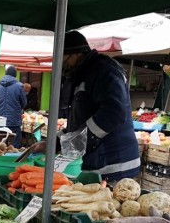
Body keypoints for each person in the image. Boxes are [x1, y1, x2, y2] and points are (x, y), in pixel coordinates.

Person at [57, 31, 140, 182]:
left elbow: (114, 112)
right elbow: (79, 121)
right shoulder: (81, 74)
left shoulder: (104, 70)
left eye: (64, 59)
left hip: (114, 165)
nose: (62, 65)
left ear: (76, 54)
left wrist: (80, 141)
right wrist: (55, 143)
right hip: (97, 161)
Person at [0, 65, 27, 147]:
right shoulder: (19, 86)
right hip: (14, 120)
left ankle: (1, 159)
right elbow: (24, 103)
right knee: (15, 145)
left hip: (0, 120)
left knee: (1, 145)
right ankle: (14, 159)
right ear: (15, 75)